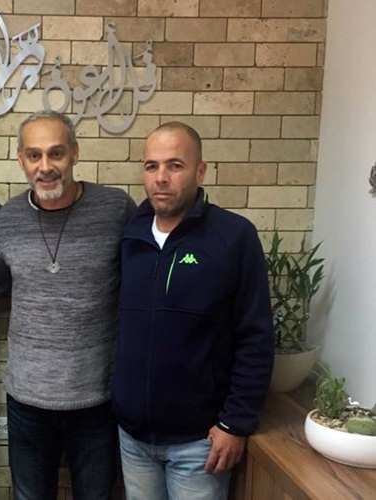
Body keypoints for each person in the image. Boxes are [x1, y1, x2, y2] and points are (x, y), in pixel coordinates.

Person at [112, 121, 274, 500]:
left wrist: (235, 423)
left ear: (200, 171)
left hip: (199, 443)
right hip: (133, 438)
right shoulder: (131, 234)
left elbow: (256, 337)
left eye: (175, 165)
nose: (161, 177)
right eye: (151, 166)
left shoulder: (234, 237)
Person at [0, 110, 137, 500]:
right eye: (34, 155)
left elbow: (141, 283)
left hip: (97, 398)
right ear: (20, 159)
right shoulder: (6, 219)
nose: (45, 167)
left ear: (74, 153)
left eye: (55, 153)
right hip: (27, 399)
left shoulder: (115, 209)